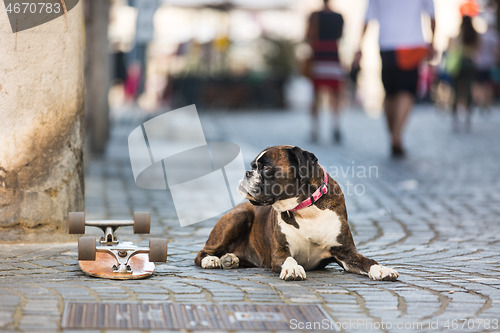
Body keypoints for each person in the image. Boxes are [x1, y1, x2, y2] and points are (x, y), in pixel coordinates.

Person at [354, 0, 436, 158]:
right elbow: (432, 15)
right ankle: (396, 136)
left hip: (386, 45)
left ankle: (393, 136)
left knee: (390, 94)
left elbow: (367, 18)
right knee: (406, 92)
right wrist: (432, 40)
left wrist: (359, 46)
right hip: (412, 45)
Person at [305, 0, 345, 143]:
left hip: (319, 55)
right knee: (335, 94)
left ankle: (315, 129)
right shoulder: (339, 16)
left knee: (316, 94)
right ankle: (336, 125)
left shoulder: (314, 15)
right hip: (333, 55)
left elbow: (307, 36)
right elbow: (340, 36)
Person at [448, 15, 479, 131]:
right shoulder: (474, 35)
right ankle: (468, 118)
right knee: (468, 90)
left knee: (456, 91)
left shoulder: (459, 34)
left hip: (459, 63)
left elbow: (453, 48)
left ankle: (455, 118)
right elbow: (477, 49)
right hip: (470, 63)